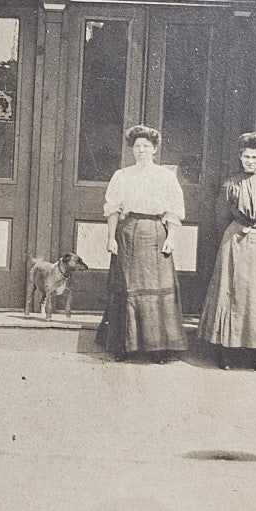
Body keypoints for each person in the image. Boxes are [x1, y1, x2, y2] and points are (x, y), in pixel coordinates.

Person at [96, 124, 188, 363]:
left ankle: (158, 349)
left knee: (157, 291)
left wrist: (171, 238)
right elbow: (113, 209)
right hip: (128, 234)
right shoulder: (122, 176)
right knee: (127, 289)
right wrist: (110, 237)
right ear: (132, 150)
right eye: (137, 146)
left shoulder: (166, 177)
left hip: (156, 233)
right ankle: (124, 346)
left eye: (146, 146)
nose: (141, 151)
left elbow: (175, 211)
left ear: (155, 149)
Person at [198, 132, 256, 371]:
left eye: (255, 157)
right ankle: (226, 352)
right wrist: (236, 233)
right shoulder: (231, 184)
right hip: (236, 241)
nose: (250, 161)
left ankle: (255, 353)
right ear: (240, 158)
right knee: (233, 292)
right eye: (247, 157)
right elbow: (220, 218)